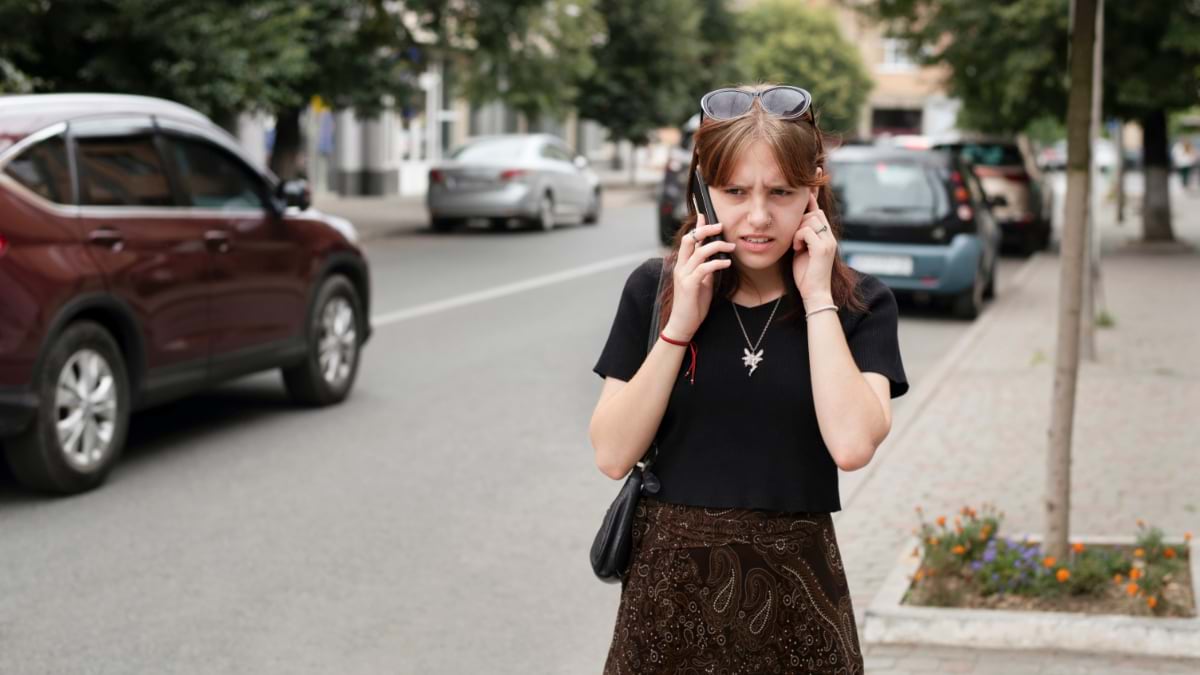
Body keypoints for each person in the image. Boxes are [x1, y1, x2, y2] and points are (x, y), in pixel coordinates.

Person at [589, 84, 908, 674]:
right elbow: (612, 453)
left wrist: (816, 298)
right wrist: (679, 325)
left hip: (796, 600)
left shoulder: (860, 304)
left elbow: (852, 444)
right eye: (734, 192)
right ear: (703, 192)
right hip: (668, 602)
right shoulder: (652, 291)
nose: (758, 217)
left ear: (813, 191)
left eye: (781, 193)